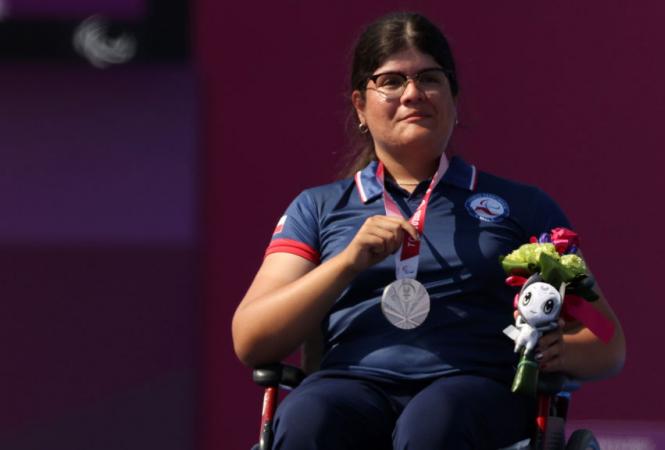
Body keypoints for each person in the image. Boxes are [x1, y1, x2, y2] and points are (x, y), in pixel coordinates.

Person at [232, 11, 625, 450]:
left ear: (453, 98)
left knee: (434, 422)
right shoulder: (318, 208)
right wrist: (344, 265)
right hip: (349, 385)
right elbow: (252, 338)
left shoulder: (524, 207)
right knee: (309, 417)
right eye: (392, 81)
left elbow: (607, 341)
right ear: (360, 105)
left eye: (430, 78)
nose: (413, 93)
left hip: (473, 391)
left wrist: (559, 350)